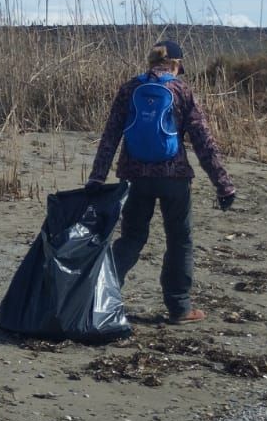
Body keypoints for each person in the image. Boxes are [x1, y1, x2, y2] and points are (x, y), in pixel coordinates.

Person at [85, 40, 237, 325]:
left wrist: (97, 176)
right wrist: (223, 185)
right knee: (180, 240)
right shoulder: (181, 89)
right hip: (174, 177)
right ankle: (180, 308)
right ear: (176, 64)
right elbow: (204, 142)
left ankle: (100, 298)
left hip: (134, 176)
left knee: (131, 238)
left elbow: (110, 136)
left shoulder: (130, 88)